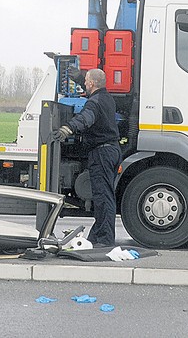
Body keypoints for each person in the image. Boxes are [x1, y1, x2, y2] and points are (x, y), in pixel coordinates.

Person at [52, 68, 122, 248]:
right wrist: (80, 75)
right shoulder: (107, 98)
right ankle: (97, 236)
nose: (84, 84)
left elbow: (85, 119)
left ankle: (105, 240)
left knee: (102, 197)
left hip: (102, 153)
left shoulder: (94, 103)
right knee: (104, 196)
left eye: (86, 81)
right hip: (112, 151)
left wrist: (67, 129)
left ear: (91, 83)